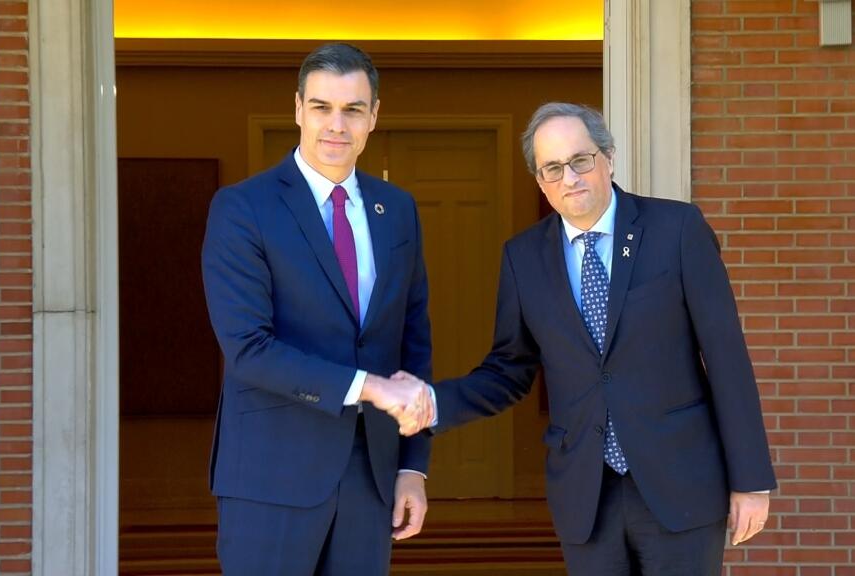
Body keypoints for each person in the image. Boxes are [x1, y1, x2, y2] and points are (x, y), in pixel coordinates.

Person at [394, 102, 776, 575]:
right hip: (586, 497)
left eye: (581, 160)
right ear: (540, 182)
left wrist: (751, 481)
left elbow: (725, 357)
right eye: (553, 168)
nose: (569, 177)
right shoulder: (523, 258)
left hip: (682, 486)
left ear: (608, 158)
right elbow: (509, 369)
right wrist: (433, 401)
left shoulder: (676, 229)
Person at [201, 43, 434, 576]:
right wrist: (372, 387)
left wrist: (412, 468)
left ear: (373, 117)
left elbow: (412, 343)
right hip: (270, 475)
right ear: (298, 109)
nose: (337, 124)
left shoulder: (397, 210)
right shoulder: (244, 208)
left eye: (353, 109)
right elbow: (248, 349)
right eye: (322, 107)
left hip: (370, 477)